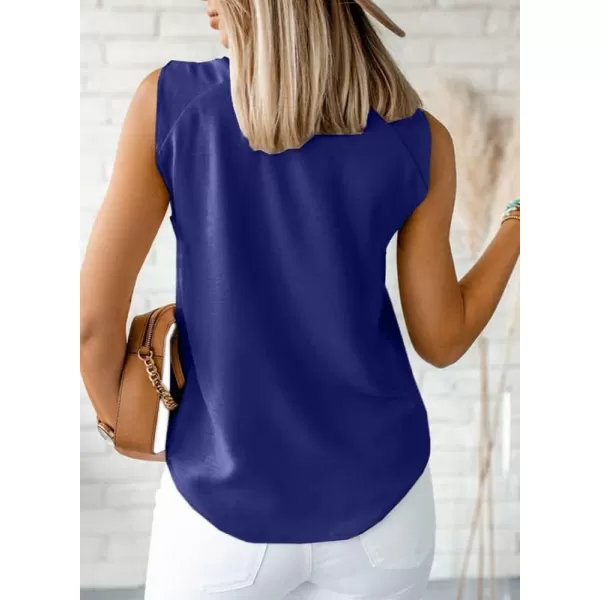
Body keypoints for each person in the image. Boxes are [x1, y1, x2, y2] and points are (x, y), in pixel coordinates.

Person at [79, 1, 520, 598]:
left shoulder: (171, 104)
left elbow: (94, 325)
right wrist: (519, 222)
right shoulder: (420, 139)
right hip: (382, 510)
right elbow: (441, 339)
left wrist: (127, 426)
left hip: (220, 514)